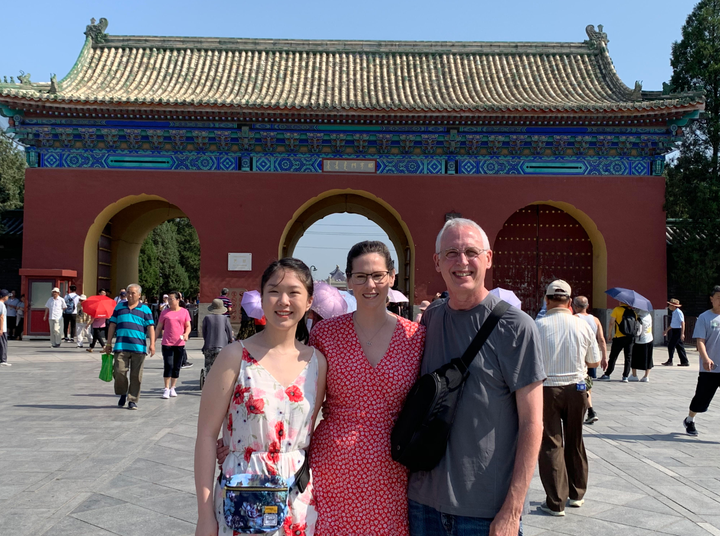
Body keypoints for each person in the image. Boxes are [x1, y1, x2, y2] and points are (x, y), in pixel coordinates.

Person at [408, 218, 545, 536]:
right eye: (451, 253)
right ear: (437, 261)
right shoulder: (432, 318)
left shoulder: (516, 326)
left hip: (485, 511)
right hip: (423, 504)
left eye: (471, 251)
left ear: (488, 258)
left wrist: (512, 510)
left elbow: (532, 423)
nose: (462, 262)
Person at [195, 258, 327, 536]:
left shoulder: (317, 362)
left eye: (294, 292)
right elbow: (206, 436)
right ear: (262, 297)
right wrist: (205, 516)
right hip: (242, 495)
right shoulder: (234, 356)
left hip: (297, 497)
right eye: (274, 291)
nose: (283, 301)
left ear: (309, 300)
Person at [309, 241, 426, 536]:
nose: (370, 284)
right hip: (333, 466)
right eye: (360, 276)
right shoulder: (325, 334)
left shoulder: (415, 336)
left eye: (377, 275)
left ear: (392, 276)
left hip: (392, 467)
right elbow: (305, 404)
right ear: (348, 280)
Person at [536, 280, 600, 516]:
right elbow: (594, 361)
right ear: (570, 301)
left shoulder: (537, 325)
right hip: (578, 387)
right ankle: (577, 493)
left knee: (552, 443)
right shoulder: (583, 325)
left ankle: (555, 501)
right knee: (575, 440)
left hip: (547, 389)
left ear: (547, 299)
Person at [104, 284, 155, 410]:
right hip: (121, 346)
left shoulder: (145, 309)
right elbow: (112, 325)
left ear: (139, 295)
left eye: (133, 293)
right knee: (119, 372)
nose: (130, 295)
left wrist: (152, 344)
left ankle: (132, 399)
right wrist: (109, 343)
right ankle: (123, 392)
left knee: (136, 375)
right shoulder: (119, 307)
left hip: (139, 347)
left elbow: (150, 327)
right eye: (128, 293)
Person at [683, 286, 720, 436]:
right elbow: (700, 341)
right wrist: (705, 358)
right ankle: (690, 420)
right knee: (701, 398)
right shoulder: (704, 317)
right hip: (710, 367)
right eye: (718, 298)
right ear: (711, 299)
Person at [572, 296, 608, 424]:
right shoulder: (595, 320)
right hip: (592, 355)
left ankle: (589, 410)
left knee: (581, 384)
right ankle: (589, 410)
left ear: (575, 306)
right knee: (587, 383)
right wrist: (604, 357)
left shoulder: (574, 319)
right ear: (587, 306)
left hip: (578, 355)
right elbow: (602, 340)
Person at [156, 291, 191, 399]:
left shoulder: (184, 312)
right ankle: (166, 388)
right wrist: (153, 341)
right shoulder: (165, 312)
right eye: (168, 299)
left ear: (178, 300)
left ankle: (173, 387)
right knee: (168, 365)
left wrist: (186, 334)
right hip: (167, 342)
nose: (170, 301)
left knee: (176, 366)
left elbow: (188, 326)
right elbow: (159, 327)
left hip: (179, 343)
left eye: (172, 299)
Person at [599, 302, 636, 382]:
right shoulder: (633, 312)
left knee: (613, 356)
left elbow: (611, 322)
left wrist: (609, 334)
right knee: (628, 357)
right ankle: (625, 376)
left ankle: (607, 374)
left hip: (619, 337)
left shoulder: (617, 309)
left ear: (621, 302)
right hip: (630, 337)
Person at [201, 299, 234, 381]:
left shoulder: (207, 318)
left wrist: (206, 340)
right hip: (222, 346)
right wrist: (231, 339)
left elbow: (204, 332)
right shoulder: (225, 319)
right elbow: (229, 331)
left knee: (208, 365)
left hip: (209, 346)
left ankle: (208, 379)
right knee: (222, 364)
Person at [663, 298, 690, 366]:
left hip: (678, 330)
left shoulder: (678, 312)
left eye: (670, 305)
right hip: (674, 330)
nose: (669, 306)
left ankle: (670, 360)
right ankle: (684, 361)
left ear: (674, 306)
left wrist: (682, 333)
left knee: (671, 345)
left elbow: (682, 322)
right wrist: (666, 330)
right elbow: (673, 324)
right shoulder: (674, 312)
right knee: (679, 347)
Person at [629, 309, 654, 382]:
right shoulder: (649, 316)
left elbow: (637, 331)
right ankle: (646, 376)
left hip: (639, 340)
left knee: (634, 357)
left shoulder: (639, 318)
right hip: (649, 338)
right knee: (649, 358)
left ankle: (634, 375)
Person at [0, 289, 9, 367]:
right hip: (2, 328)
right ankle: (3, 360)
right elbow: (1, 317)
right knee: (3, 344)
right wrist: (1, 328)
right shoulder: (1, 304)